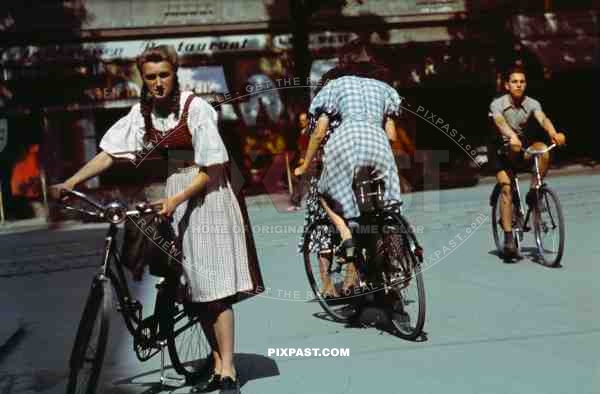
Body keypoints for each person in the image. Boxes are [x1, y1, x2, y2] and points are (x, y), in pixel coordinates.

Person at [50, 45, 262, 394]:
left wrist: (176, 198)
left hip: (207, 194)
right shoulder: (143, 113)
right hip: (176, 192)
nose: (158, 83)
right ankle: (215, 363)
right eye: (151, 77)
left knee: (213, 290)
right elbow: (109, 154)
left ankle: (229, 371)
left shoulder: (196, 108)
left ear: (174, 73)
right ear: (143, 80)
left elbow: (214, 168)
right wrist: (72, 182)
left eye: (164, 74)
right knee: (194, 289)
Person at [294, 42, 403, 282]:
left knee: (323, 193)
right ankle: (395, 264)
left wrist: (304, 165)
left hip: (345, 144)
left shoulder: (336, 85)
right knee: (389, 207)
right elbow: (392, 136)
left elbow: (319, 131)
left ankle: (347, 235)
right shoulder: (384, 89)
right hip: (379, 144)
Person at [489, 65, 566, 258]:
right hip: (500, 150)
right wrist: (511, 135)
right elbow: (499, 122)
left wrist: (553, 133)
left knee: (543, 151)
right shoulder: (497, 104)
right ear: (507, 85)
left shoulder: (532, 103)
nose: (518, 85)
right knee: (506, 188)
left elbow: (543, 118)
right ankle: (508, 238)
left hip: (519, 148)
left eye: (522, 82)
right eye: (514, 82)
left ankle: (534, 191)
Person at [287, 112, 310, 211]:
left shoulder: (310, 132)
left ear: (308, 120)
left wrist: (304, 158)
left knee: (302, 181)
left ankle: (298, 202)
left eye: (304, 120)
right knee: (299, 180)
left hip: (308, 160)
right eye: (300, 120)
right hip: (303, 159)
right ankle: (297, 202)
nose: (302, 122)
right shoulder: (302, 131)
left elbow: (308, 147)